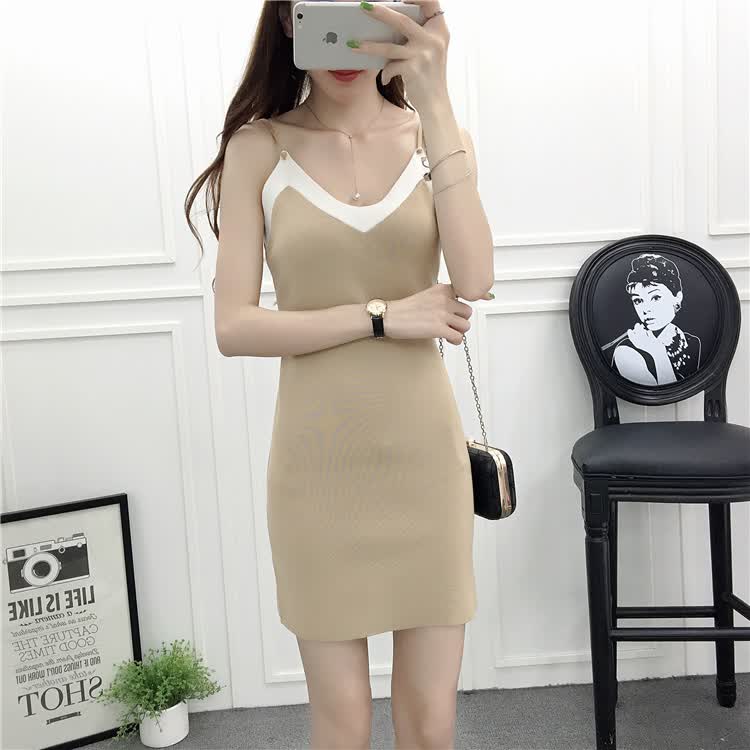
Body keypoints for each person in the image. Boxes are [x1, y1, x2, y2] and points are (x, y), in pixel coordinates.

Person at [185, 2, 495, 747]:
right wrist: (384, 316)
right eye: (322, 13)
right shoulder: (258, 148)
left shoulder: (436, 139)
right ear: (290, 24)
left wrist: (436, 94)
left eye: (366, 13)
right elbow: (234, 327)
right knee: (342, 722)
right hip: (317, 472)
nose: (345, 43)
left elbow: (475, 277)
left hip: (424, 465)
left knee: (431, 723)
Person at [601, 253, 702, 386]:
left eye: (656, 298)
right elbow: (666, 394)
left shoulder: (691, 341)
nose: (646, 309)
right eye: (638, 300)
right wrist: (658, 353)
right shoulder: (625, 351)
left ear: (677, 297)